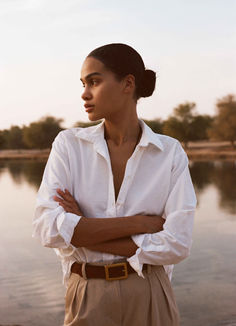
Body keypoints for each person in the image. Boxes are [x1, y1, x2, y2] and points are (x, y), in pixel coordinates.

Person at [33, 43, 197, 326]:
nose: (85, 93)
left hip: (149, 291)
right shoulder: (69, 146)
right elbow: (47, 229)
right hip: (88, 292)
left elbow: (177, 245)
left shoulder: (170, 153)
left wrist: (83, 226)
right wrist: (138, 223)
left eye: (94, 82)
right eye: (84, 84)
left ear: (128, 83)